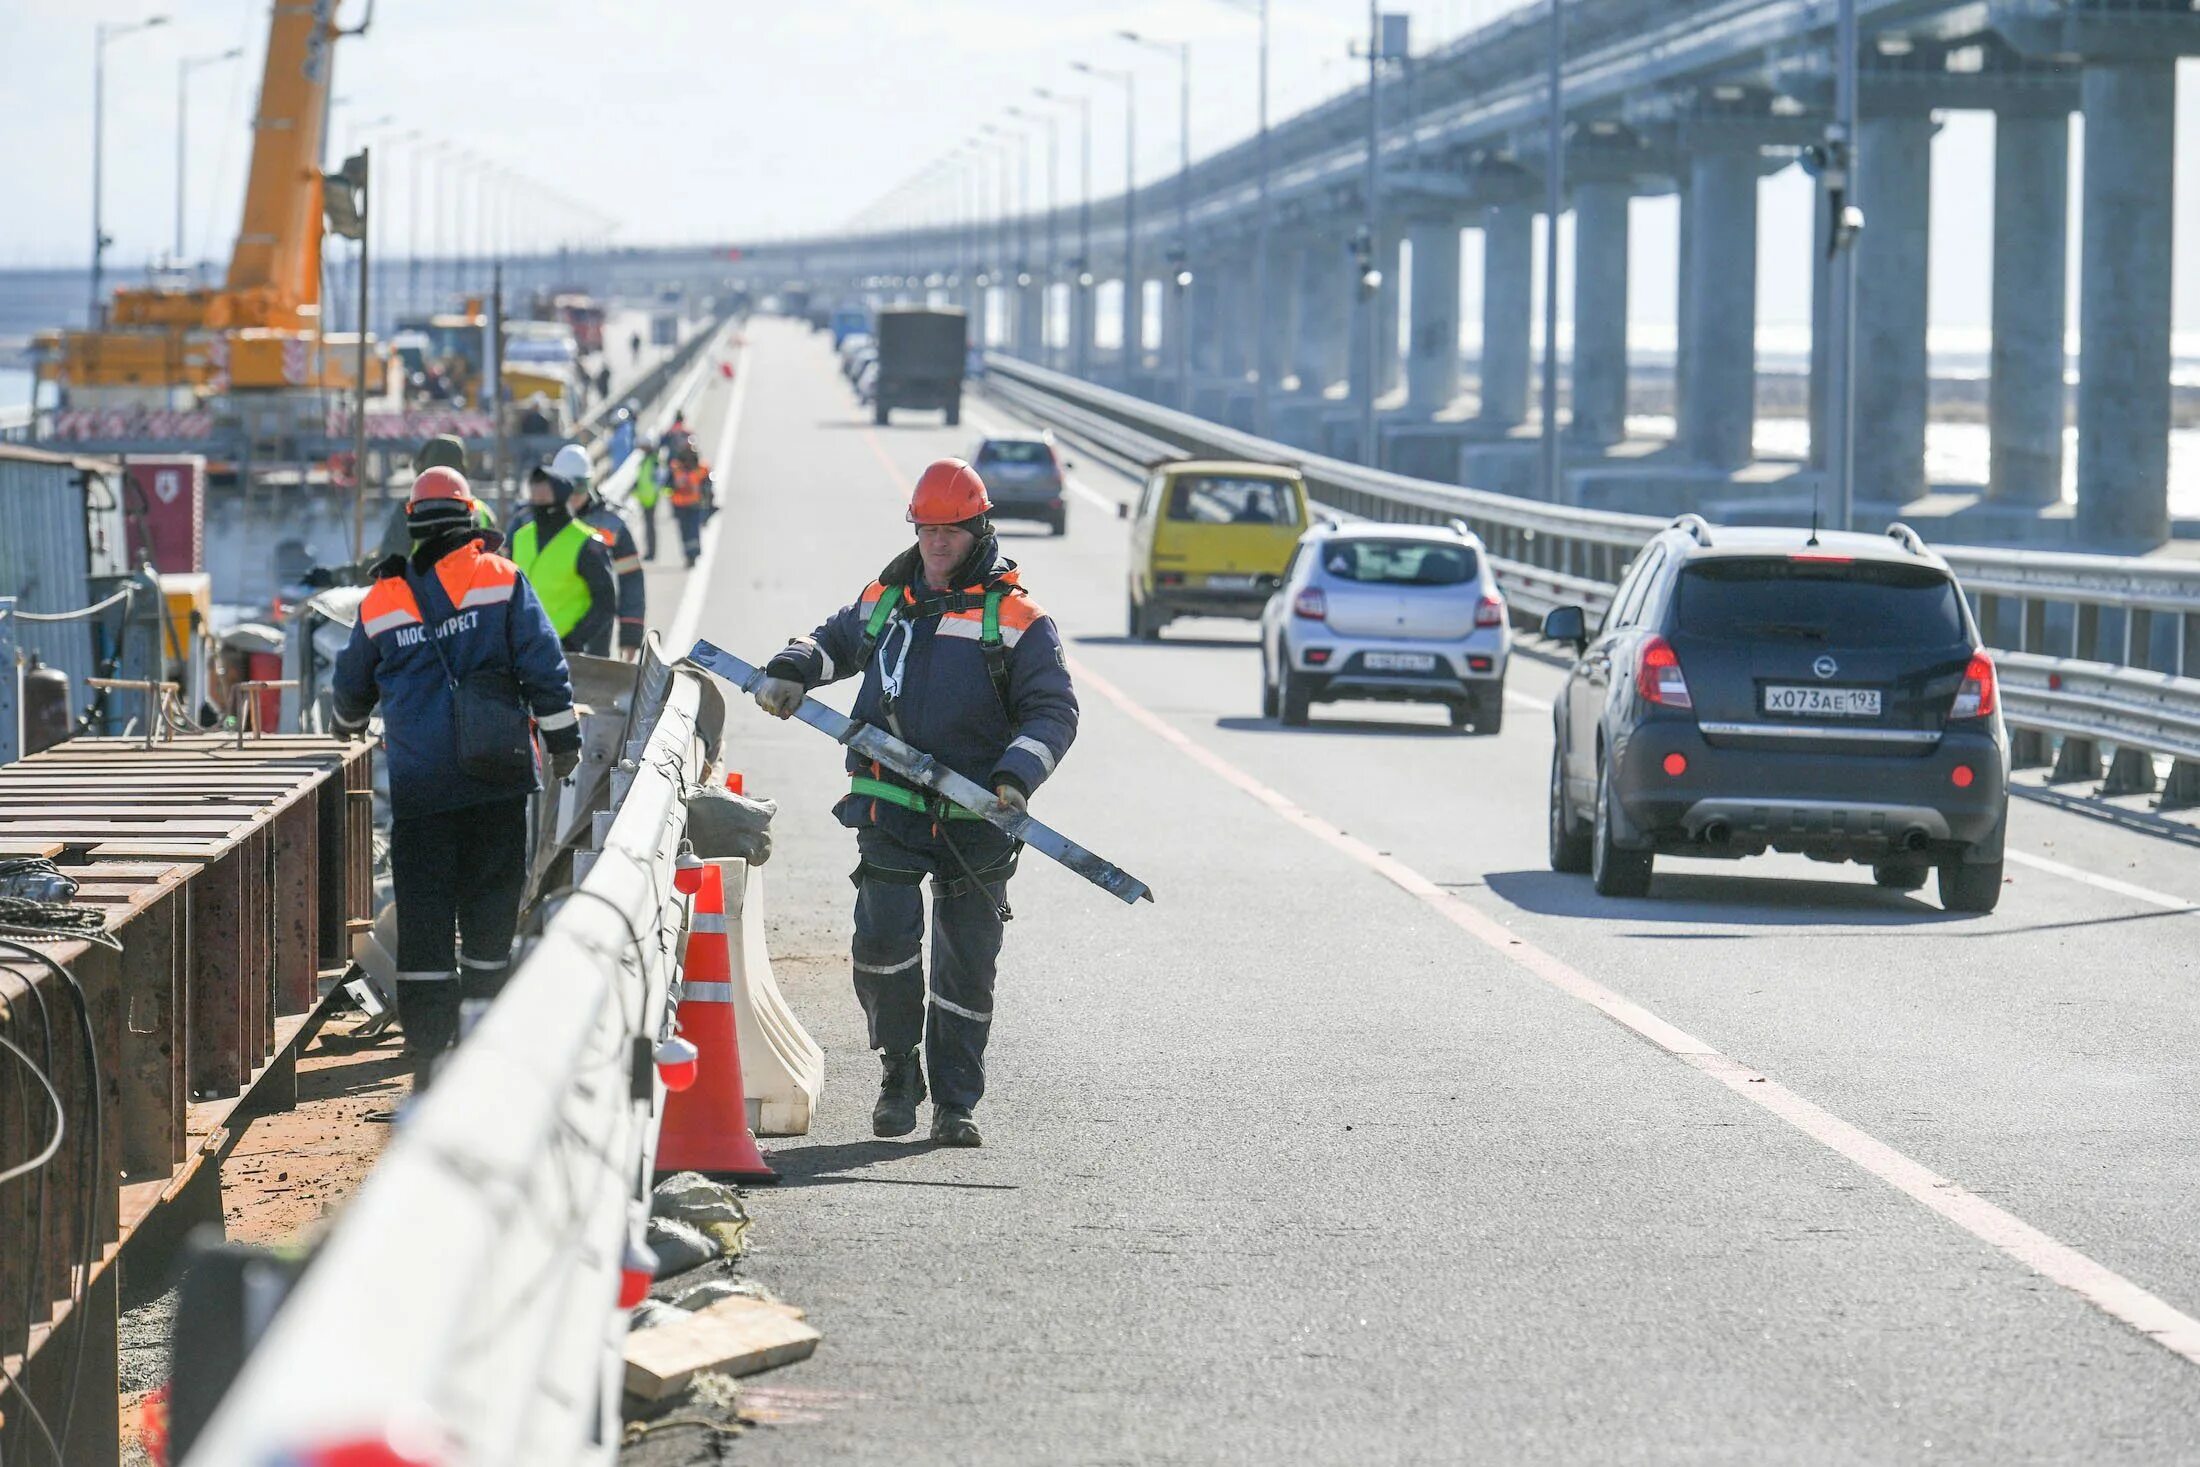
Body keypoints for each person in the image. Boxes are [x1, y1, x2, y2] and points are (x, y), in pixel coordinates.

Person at [752, 459, 1078, 1147]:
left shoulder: (1019, 620)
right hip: (890, 804)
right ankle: (899, 1071)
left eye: (950, 532)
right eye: (927, 530)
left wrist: (1016, 777)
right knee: (882, 943)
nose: (936, 545)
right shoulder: (888, 598)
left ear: (977, 529)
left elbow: (1052, 713)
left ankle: (956, 1102)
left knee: (965, 964)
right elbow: (832, 641)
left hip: (976, 820)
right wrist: (791, 668)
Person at [331, 466, 582, 1075]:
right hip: (497, 777)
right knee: (492, 907)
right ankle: (486, 1027)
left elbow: (348, 693)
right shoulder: (500, 578)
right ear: (471, 518)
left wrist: (346, 731)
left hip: (420, 787)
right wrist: (564, 741)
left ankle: (427, 1037)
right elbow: (543, 667)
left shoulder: (383, 597)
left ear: (413, 523)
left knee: (424, 913)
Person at [511, 446, 618, 656]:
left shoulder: (586, 542)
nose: (537, 499)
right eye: (534, 493)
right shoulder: (520, 536)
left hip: (573, 656)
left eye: (544, 494)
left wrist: (574, 641)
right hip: (528, 652)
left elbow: (605, 602)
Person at [667, 445, 715, 569]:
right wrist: (674, 486)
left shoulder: (702, 469)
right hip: (680, 506)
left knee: (693, 530)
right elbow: (667, 485)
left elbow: (708, 485)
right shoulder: (675, 469)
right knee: (685, 532)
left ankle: (693, 554)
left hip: (694, 505)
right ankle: (689, 555)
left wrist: (708, 502)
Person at [632, 440, 663, 563]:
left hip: (650, 498)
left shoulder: (653, 461)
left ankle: (651, 552)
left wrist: (655, 494)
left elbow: (658, 479)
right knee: (647, 526)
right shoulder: (645, 461)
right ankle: (649, 552)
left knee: (650, 526)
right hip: (644, 498)